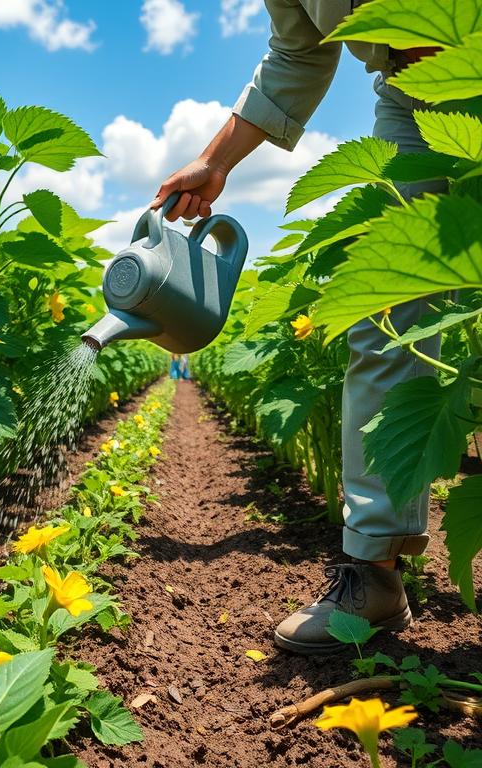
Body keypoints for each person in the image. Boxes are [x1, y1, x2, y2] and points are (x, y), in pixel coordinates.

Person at [151, 1, 444, 654]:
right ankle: (372, 571)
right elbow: (298, 52)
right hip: (413, 94)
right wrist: (217, 160)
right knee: (386, 308)